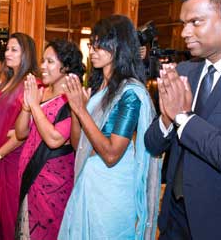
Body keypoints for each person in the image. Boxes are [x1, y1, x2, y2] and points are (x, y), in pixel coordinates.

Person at [58, 15, 160, 240]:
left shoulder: (130, 93)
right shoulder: (98, 88)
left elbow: (112, 154)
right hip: (89, 182)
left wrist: (81, 110)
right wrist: (77, 110)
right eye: (92, 44)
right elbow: (79, 146)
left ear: (119, 46)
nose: (93, 50)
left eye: (100, 44)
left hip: (111, 193)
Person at [144, 0, 221, 240]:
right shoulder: (184, 71)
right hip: (173, 219)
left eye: (195, 22)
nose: (185, 32)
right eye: (183, 24)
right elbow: (152, 145)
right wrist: (167, 118)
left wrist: (183, 117)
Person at [14, 40, 84, 239]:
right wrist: (27, 107)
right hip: (29, 178)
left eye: (50, 61)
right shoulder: (41, 91)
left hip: (54, 186)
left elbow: (54, 139)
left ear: (67, 66)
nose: (43, 66)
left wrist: (34, 106)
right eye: (43, 61)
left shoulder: (73, 98)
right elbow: (21, 133)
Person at [0, 32, 39, 240]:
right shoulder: (7, 81)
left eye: (14, 50)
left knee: (9, 216)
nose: (8, 53)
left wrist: (0, 153)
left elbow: (24, 132)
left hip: (14, 160)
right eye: (7, 49)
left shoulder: (32, 83)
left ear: (26, 54)